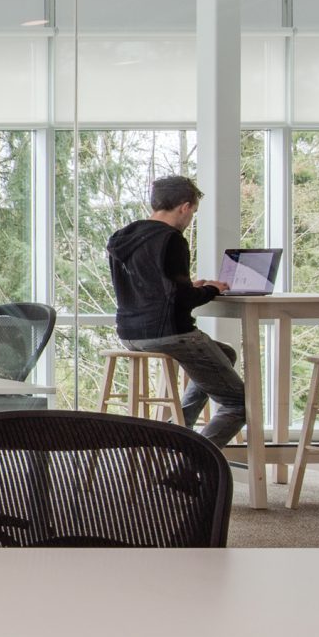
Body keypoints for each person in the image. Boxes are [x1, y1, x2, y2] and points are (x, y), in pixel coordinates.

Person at [107, 174, 246, 446]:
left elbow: (154, 289)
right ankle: (193, 461)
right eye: (193, 211)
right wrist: (211, 289)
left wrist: (190, 286)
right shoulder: (171, 239)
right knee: (240, 403)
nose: (191, 218)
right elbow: (181, 300)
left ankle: (177, 428)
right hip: (169, 333)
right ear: (184, 206)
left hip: (130, 333)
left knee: (225, 353)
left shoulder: (123, 237)